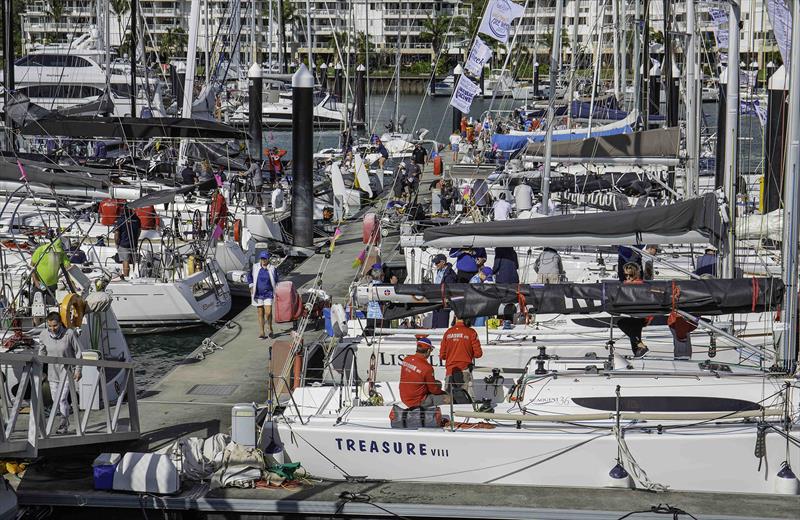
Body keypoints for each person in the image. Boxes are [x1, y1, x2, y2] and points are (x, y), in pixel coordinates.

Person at [38, 312, 82, 434]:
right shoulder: (44, 335)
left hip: (67, 372)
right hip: (53, 374)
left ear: (60, 323)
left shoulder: (69, 334)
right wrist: (39, 370)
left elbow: (78, 353)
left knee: (61, 399)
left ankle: (63, 425)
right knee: (55, 400)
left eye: (55, 325)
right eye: (50, 326)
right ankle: (65, 420)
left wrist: (78, 370)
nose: (52, 329)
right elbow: (42, 354)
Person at [399, 338, 450, 408]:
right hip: (418, 401)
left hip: (404, 397)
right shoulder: (427, 368)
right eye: (431, 350)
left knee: (438, 383)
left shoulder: (406, 359)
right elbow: (434, 390)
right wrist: (443, 393)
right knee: (449, 399)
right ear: (428, 350)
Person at [440, 318, 483, 399]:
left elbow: (442, 355)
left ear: (455, 317)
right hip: (465, 369)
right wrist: (467, 353)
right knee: (466, 400)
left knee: (449, 401)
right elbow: (478, 353)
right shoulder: (471, 332)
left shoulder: (448, 332)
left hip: (450, 371)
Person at [617, 262, 651, 358]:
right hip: (633, 315)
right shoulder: (625, 284)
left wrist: (648, 318)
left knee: (623, 323)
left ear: (635, 274)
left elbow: (649, 301)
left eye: (630, 275)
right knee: (633, 332)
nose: (628, 277)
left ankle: (640, 348)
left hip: (640, 316)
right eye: (626, 275)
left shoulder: (640, 285)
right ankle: (639, 351)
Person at [31, 237, 71, 305]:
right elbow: (32, 266)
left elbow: (68, 267)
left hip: (52, 285)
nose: (57, 253)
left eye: (58, 252)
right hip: (39, 284)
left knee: (52, 306)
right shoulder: (40, 250)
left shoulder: (61, 253)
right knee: (36, 306)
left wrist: (73, 282)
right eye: (56, 251)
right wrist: (36, 281)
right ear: (51, 247)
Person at [248, 251, 278, 339]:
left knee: (268, 312)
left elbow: (277, 279)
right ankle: (262, 332)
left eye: (265, 258)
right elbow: (249, 277)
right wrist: (251, 286)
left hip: (268, 293)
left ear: (268, 259)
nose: (263, 260)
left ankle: (270, 328)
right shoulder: (255, 267)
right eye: (262, 258)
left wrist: (277, 289)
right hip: (258, 293)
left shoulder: (272, 268)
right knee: (260, 312)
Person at [114, 206, 141, 279]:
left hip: (123, 244)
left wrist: (116, 243)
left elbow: (117, 234)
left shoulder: (120, 220)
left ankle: (126, 277)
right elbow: (139, 231)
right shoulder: (137, 219)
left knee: (125, 261)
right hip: (133, 244)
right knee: (133, 261)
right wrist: (136, 239)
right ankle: (135, 276)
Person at [431, 254, 456, 328]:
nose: (436, 265)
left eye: (437, 263)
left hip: (444, 302)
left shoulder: (450, 274)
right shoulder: (440, 271)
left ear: (443, 262)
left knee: (441, 325)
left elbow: (449, 289)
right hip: (436, 300)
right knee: (434, 324)